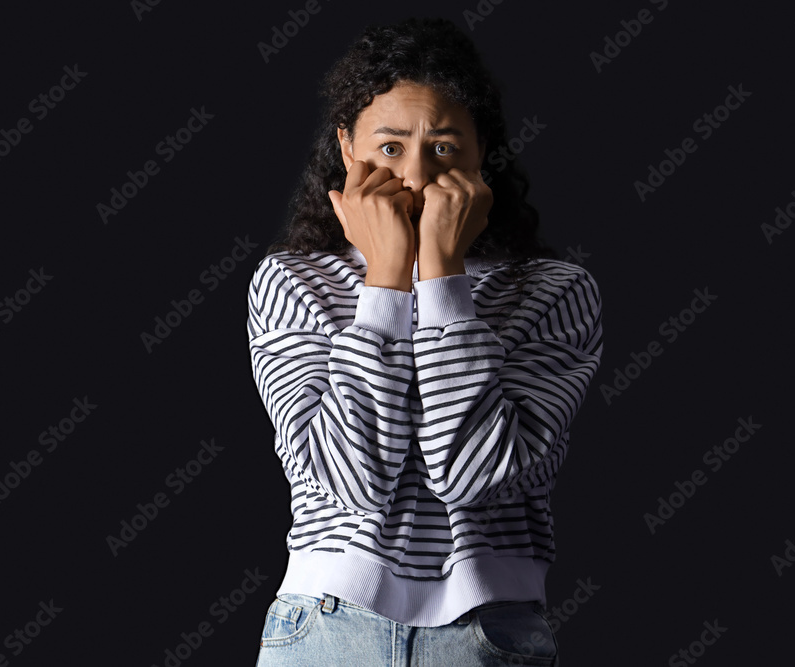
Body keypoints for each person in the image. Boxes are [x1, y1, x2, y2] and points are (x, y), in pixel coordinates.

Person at [247, 16, 603, 666]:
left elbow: (472, 476)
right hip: (325, 631)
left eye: (442, 147)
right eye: (389, 147)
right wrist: (385, 280)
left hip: (487, 636)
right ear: (347, 148)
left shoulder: (554, 291)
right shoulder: (291, 281)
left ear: (480, 152)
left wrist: (441, 276)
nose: (414, 175)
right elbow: (353, 482)